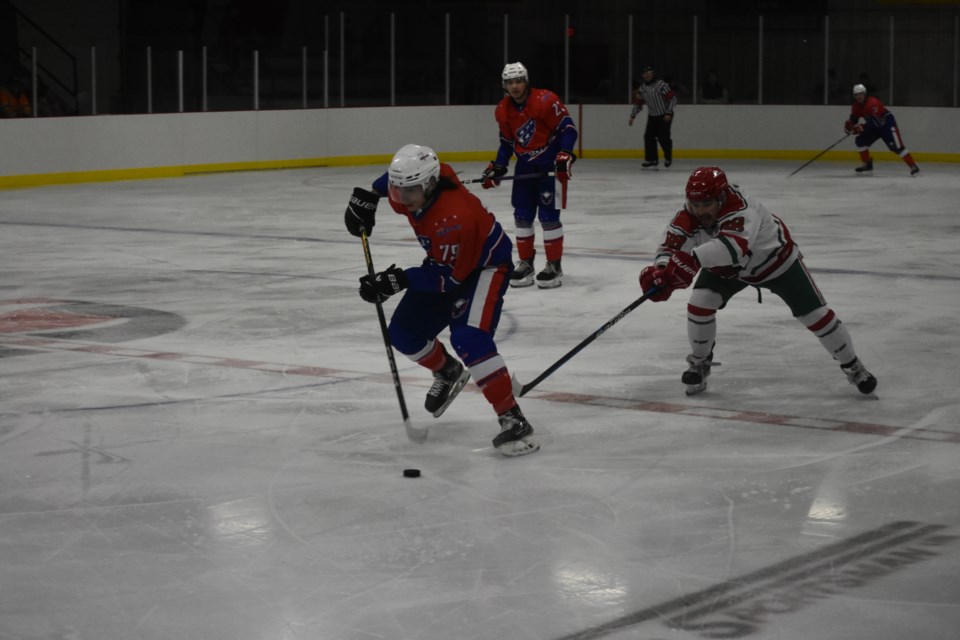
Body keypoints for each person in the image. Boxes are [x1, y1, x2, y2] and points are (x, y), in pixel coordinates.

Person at [344, 143, 540, 457]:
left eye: (410, 192)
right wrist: (369, 195)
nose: (402, 199)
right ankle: (447, 371)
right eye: (397, 190)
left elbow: (449, 281)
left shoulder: (455, 217)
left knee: (469, 337)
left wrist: (397, 279)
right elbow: (397, 180)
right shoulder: (420, 183)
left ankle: (512, 418)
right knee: (403, 333)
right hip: (446, 265)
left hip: (484, 269)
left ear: (432, 185)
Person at [639, 166, 878, 397]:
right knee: (700, 302)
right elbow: (670, 245)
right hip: (731, 270)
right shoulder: (688, 214)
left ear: (721, 198)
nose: (700, 211)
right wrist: (661, 271)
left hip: (776, 265)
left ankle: (853, 366)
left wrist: (691, 259)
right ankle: (700, 363)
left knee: (815, 315)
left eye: (706, 204)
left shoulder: (742, 209)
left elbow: (732, 248)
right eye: (695, 204)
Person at [479, 61, 578, 289]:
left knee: (548, 217)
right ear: (505, 85)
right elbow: (506, 143)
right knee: (522, 216)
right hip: (524, 170)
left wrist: (565, 154)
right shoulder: (502, 109)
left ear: (526, 81)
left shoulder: (546, 100)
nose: (515, 86)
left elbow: (568, 129)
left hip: (552, 169)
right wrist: (498, 167)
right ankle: (526, 263)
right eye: (510, 82)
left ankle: (554, 265)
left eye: (518, 81)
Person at [844, 83, 919, 176]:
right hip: (873, 126)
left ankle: (913, 166)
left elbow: (877, 122)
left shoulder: (873, 102)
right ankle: (867, 164)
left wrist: (861, 128)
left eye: (861, 94)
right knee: (860, 141)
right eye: (856, 95)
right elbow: (854, 118)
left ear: (865, 94)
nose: (859, 96)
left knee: (897, 147)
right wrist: (849, 125)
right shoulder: (856, 106)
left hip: (886, 124)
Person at [628, 66, 677, 169]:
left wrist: (668, 112)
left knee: (663, 138)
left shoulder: (661, 85)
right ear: (642, 75)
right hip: (652, 116)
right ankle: (651, 159)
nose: (647, 75)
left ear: (653, 74)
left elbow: (672, 98)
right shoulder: (642, 88)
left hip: (664, 115)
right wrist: (633, 115)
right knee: (648, 136)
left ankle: (668, 157)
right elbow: (638, 103)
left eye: (649, 72)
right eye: (645, 73)